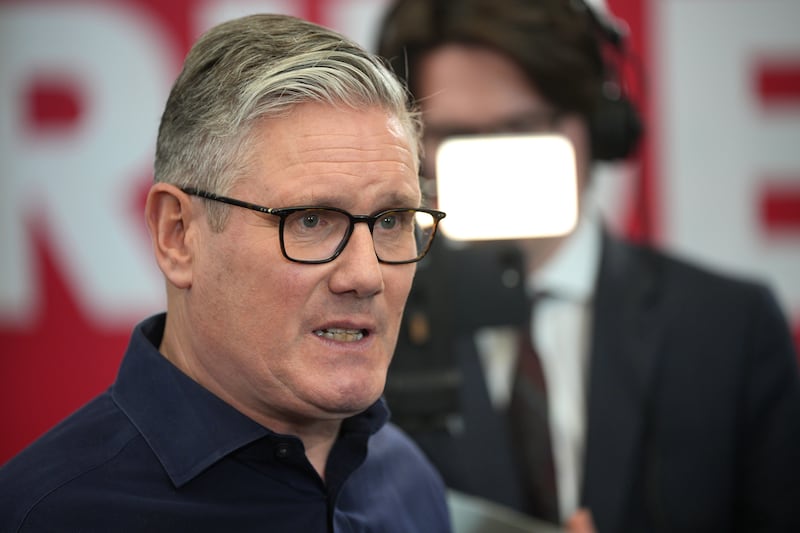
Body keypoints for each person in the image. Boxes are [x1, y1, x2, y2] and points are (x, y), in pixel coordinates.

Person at [0, 13, 452, 532]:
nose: (367, 274)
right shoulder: (47, 515)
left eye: (392, 220)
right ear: (178, 235)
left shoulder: (410, 482)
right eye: (310, 220)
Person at [376, 0, 800, 532]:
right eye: (457, 136)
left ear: (598, 127)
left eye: (521, 127)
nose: (496, 163)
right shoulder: (370, 326)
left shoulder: (730, 328)